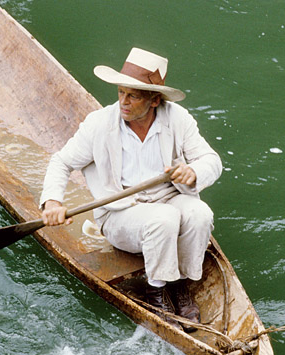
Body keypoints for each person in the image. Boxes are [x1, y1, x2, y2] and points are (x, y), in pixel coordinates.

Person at [39, 47, 222, 331]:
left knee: (200, 214)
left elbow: (212, 161)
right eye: (121, 93)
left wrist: (193, 171)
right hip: (121, 212)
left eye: (133, 95)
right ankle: (156, 292)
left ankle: (180, 285)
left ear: (154, 100)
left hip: (168, 199)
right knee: (164, 220)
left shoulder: (178, 119)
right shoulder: (99, 124)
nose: (123, 102)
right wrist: (52, 202)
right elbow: (61, 162)